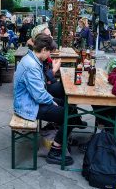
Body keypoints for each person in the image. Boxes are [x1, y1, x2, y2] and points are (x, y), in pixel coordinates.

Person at [14, 34, 81, 166]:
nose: (50, 55)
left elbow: (40, 90)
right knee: (70, 115)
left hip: (31, 101)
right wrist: (51, 101)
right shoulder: (31, 65)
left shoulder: (32, 59)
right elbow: (39, 95)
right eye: (49, 51)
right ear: (44, 49)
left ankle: (63, 136)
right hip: (28, 106)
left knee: (70, 107)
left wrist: (51, 99)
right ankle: (55, 151)